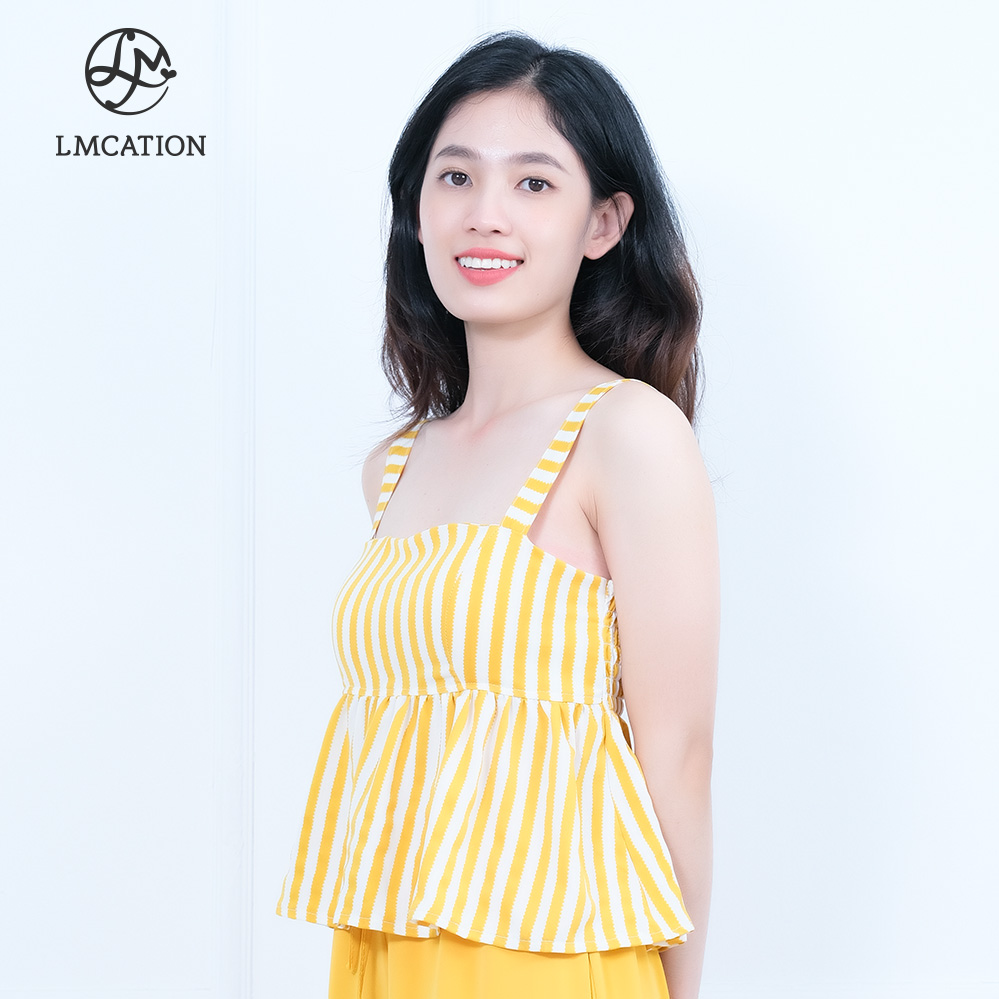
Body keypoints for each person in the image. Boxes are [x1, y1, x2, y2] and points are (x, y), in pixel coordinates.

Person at [277, 31, 719, 999]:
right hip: (387, 946)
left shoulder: (626, 434)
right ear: (417, 209)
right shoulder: (393, 467)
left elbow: (678, 755)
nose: (485, 213)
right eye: (455, 177)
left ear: (602, 223)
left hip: (547, 958)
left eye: (533, 183)